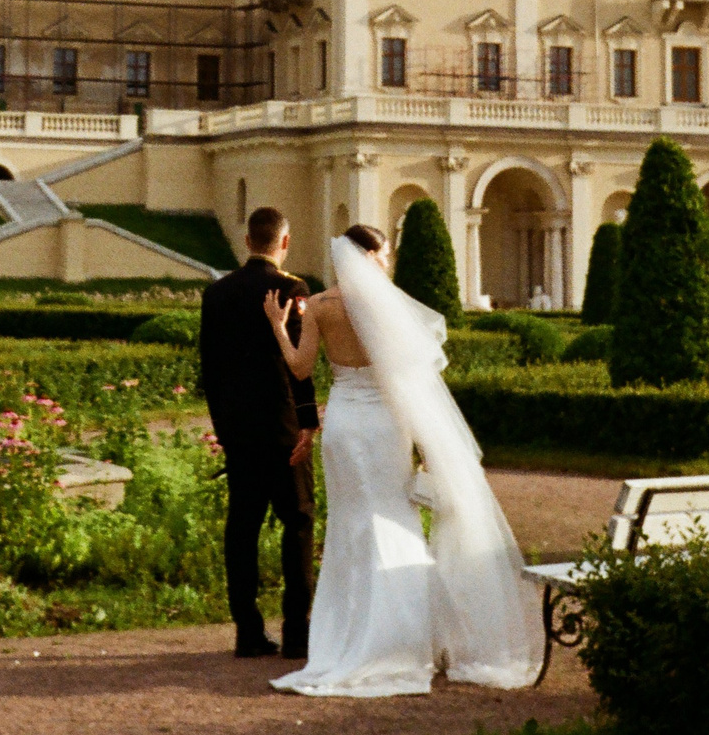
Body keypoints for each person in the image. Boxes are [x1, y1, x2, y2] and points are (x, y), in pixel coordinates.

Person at [261, 226, 539, 696]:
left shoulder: (323, 307)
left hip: (346, 423)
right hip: (387, 425)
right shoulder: (388, 304)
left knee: (351, 523)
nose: (387, 263)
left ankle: (347, 638)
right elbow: (414, 378)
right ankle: (403, 636)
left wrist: (276, 324)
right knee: (395, 516)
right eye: (385, 255)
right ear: (372, 257)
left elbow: (301, 368)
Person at [197, 205, 317, 658]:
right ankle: (296, 632)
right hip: (285, 431)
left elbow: (210, 371)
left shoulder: (217, 294)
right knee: (299, 523)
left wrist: (223, 428)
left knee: (242, 530)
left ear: (247, 241)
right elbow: (300, 369)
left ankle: (247, 631)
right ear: (284, 243)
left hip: (240, 433)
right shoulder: (292, 289)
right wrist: (308, 423)